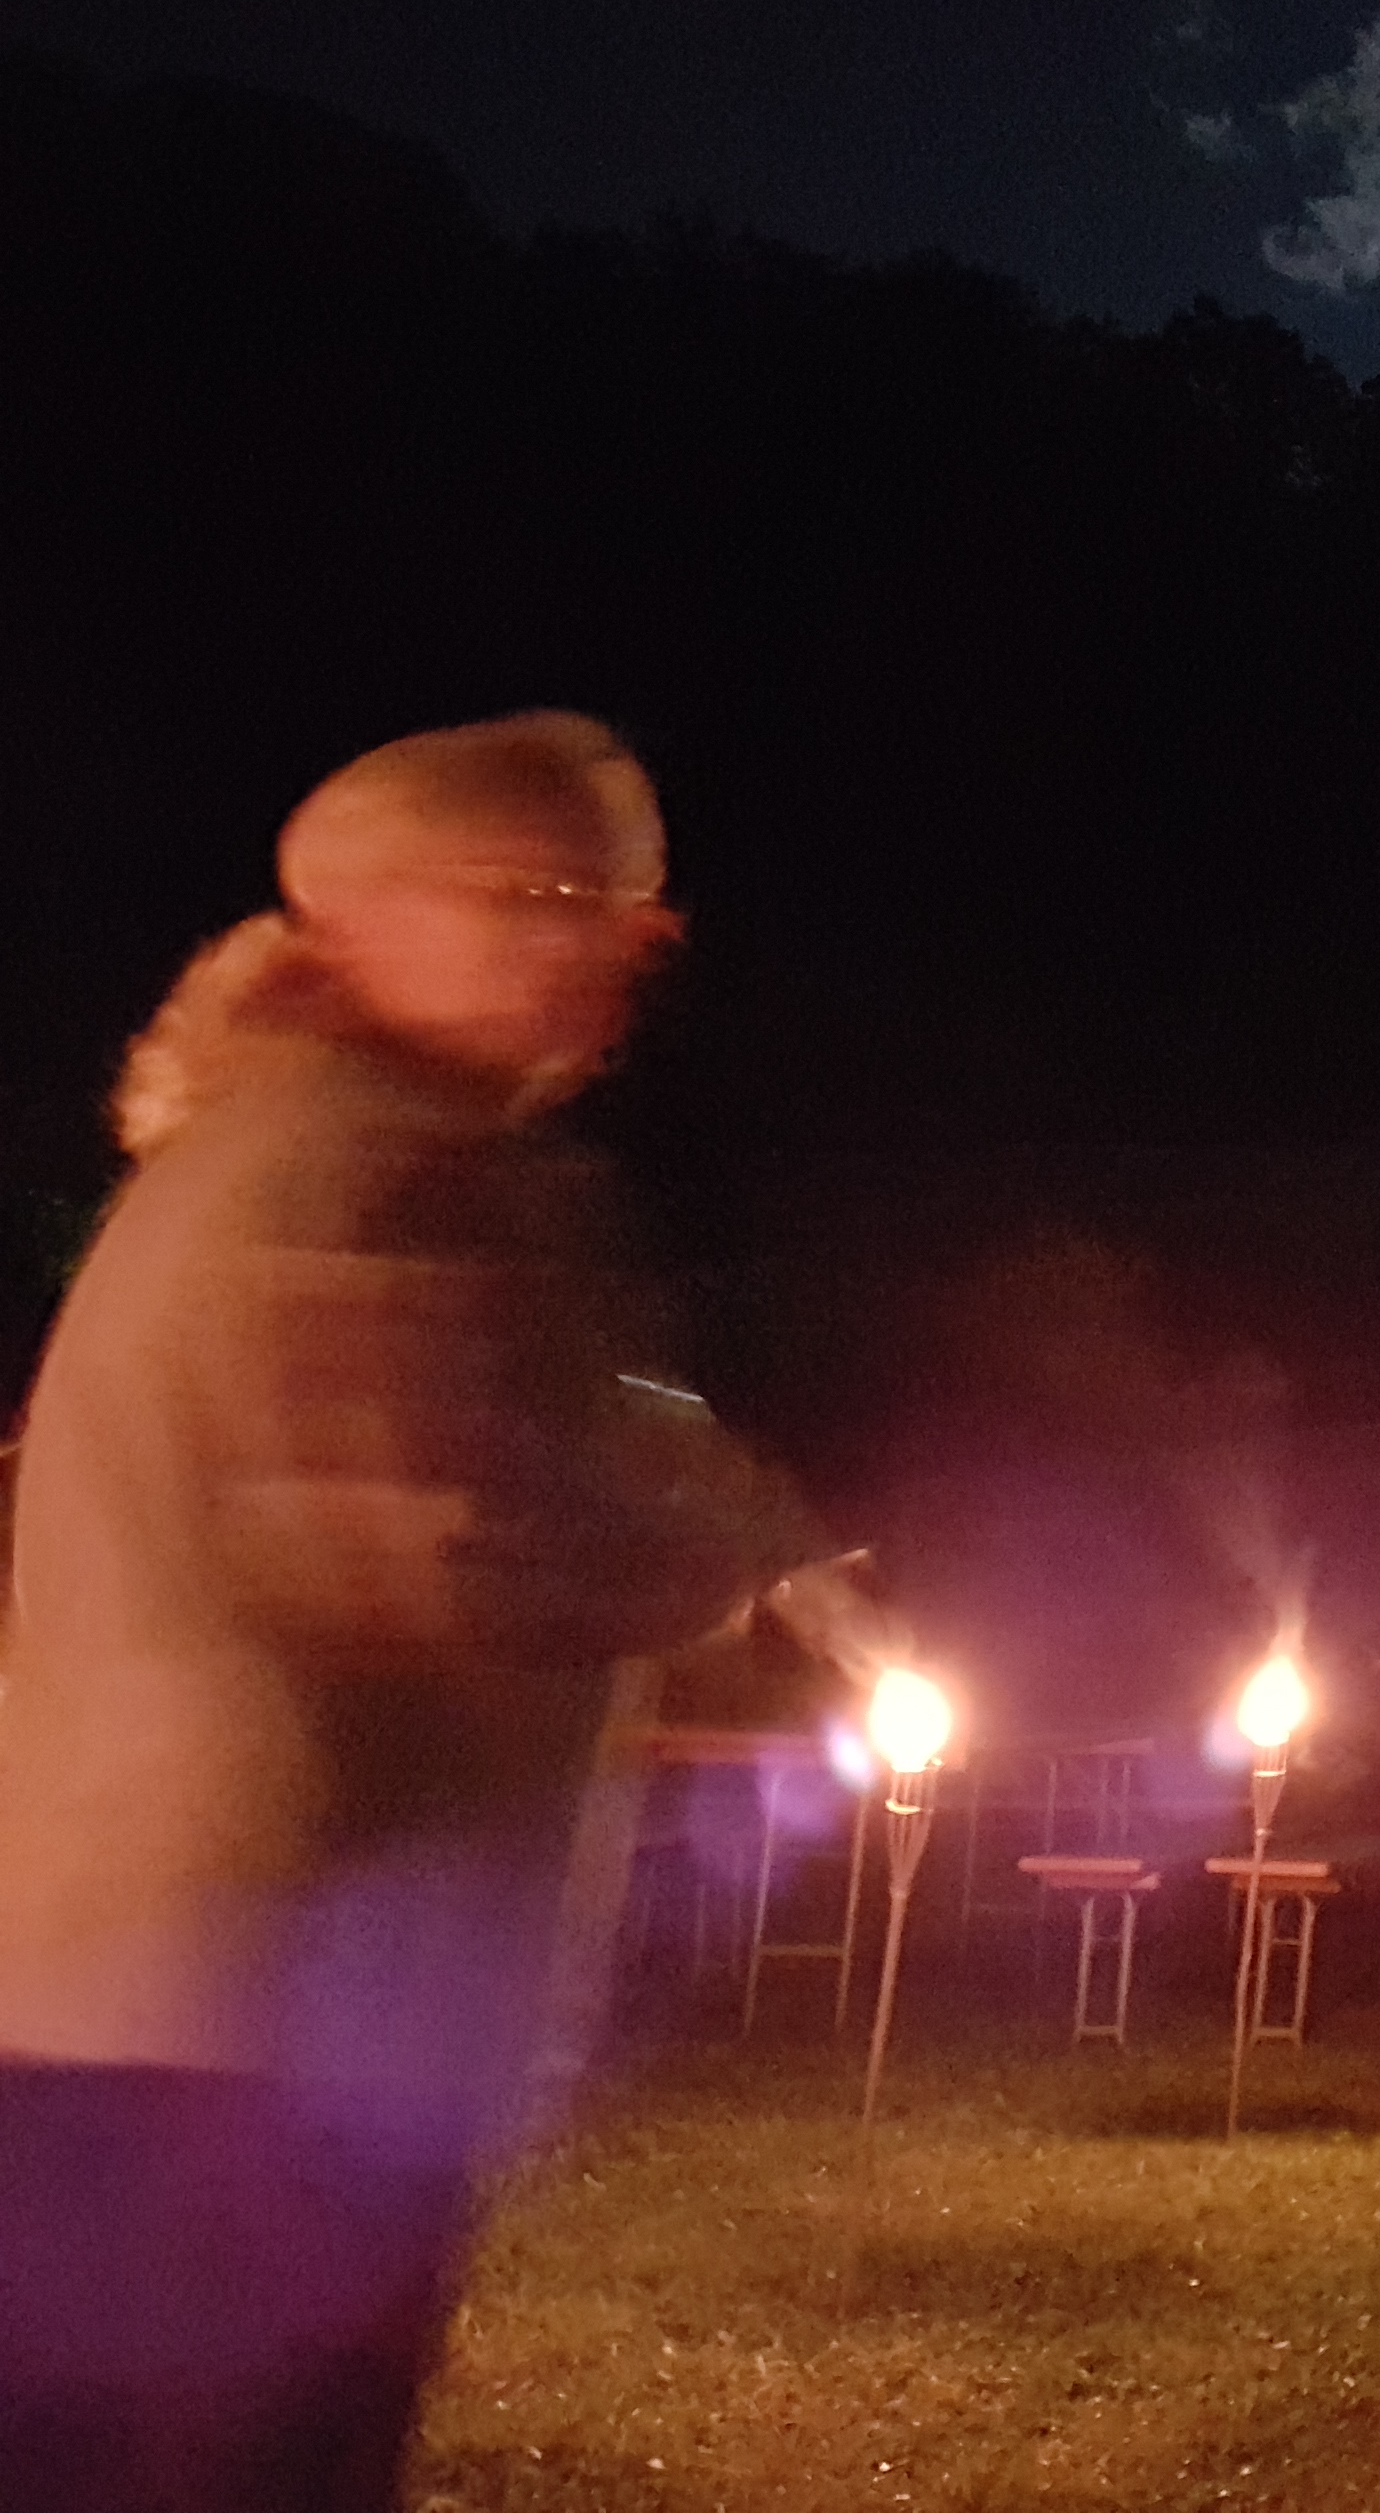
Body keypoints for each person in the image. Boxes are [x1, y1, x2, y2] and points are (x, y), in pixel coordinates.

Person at [0, 714, 846, 2510]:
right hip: (231, 2037)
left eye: (624, 908)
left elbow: (552, 1448)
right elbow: (458, 1536)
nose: (606, 948)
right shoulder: (363, 1175)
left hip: (176, 2025)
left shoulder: (296, 1153)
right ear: (371, 912)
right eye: (542, 895)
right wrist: (736, 1554)